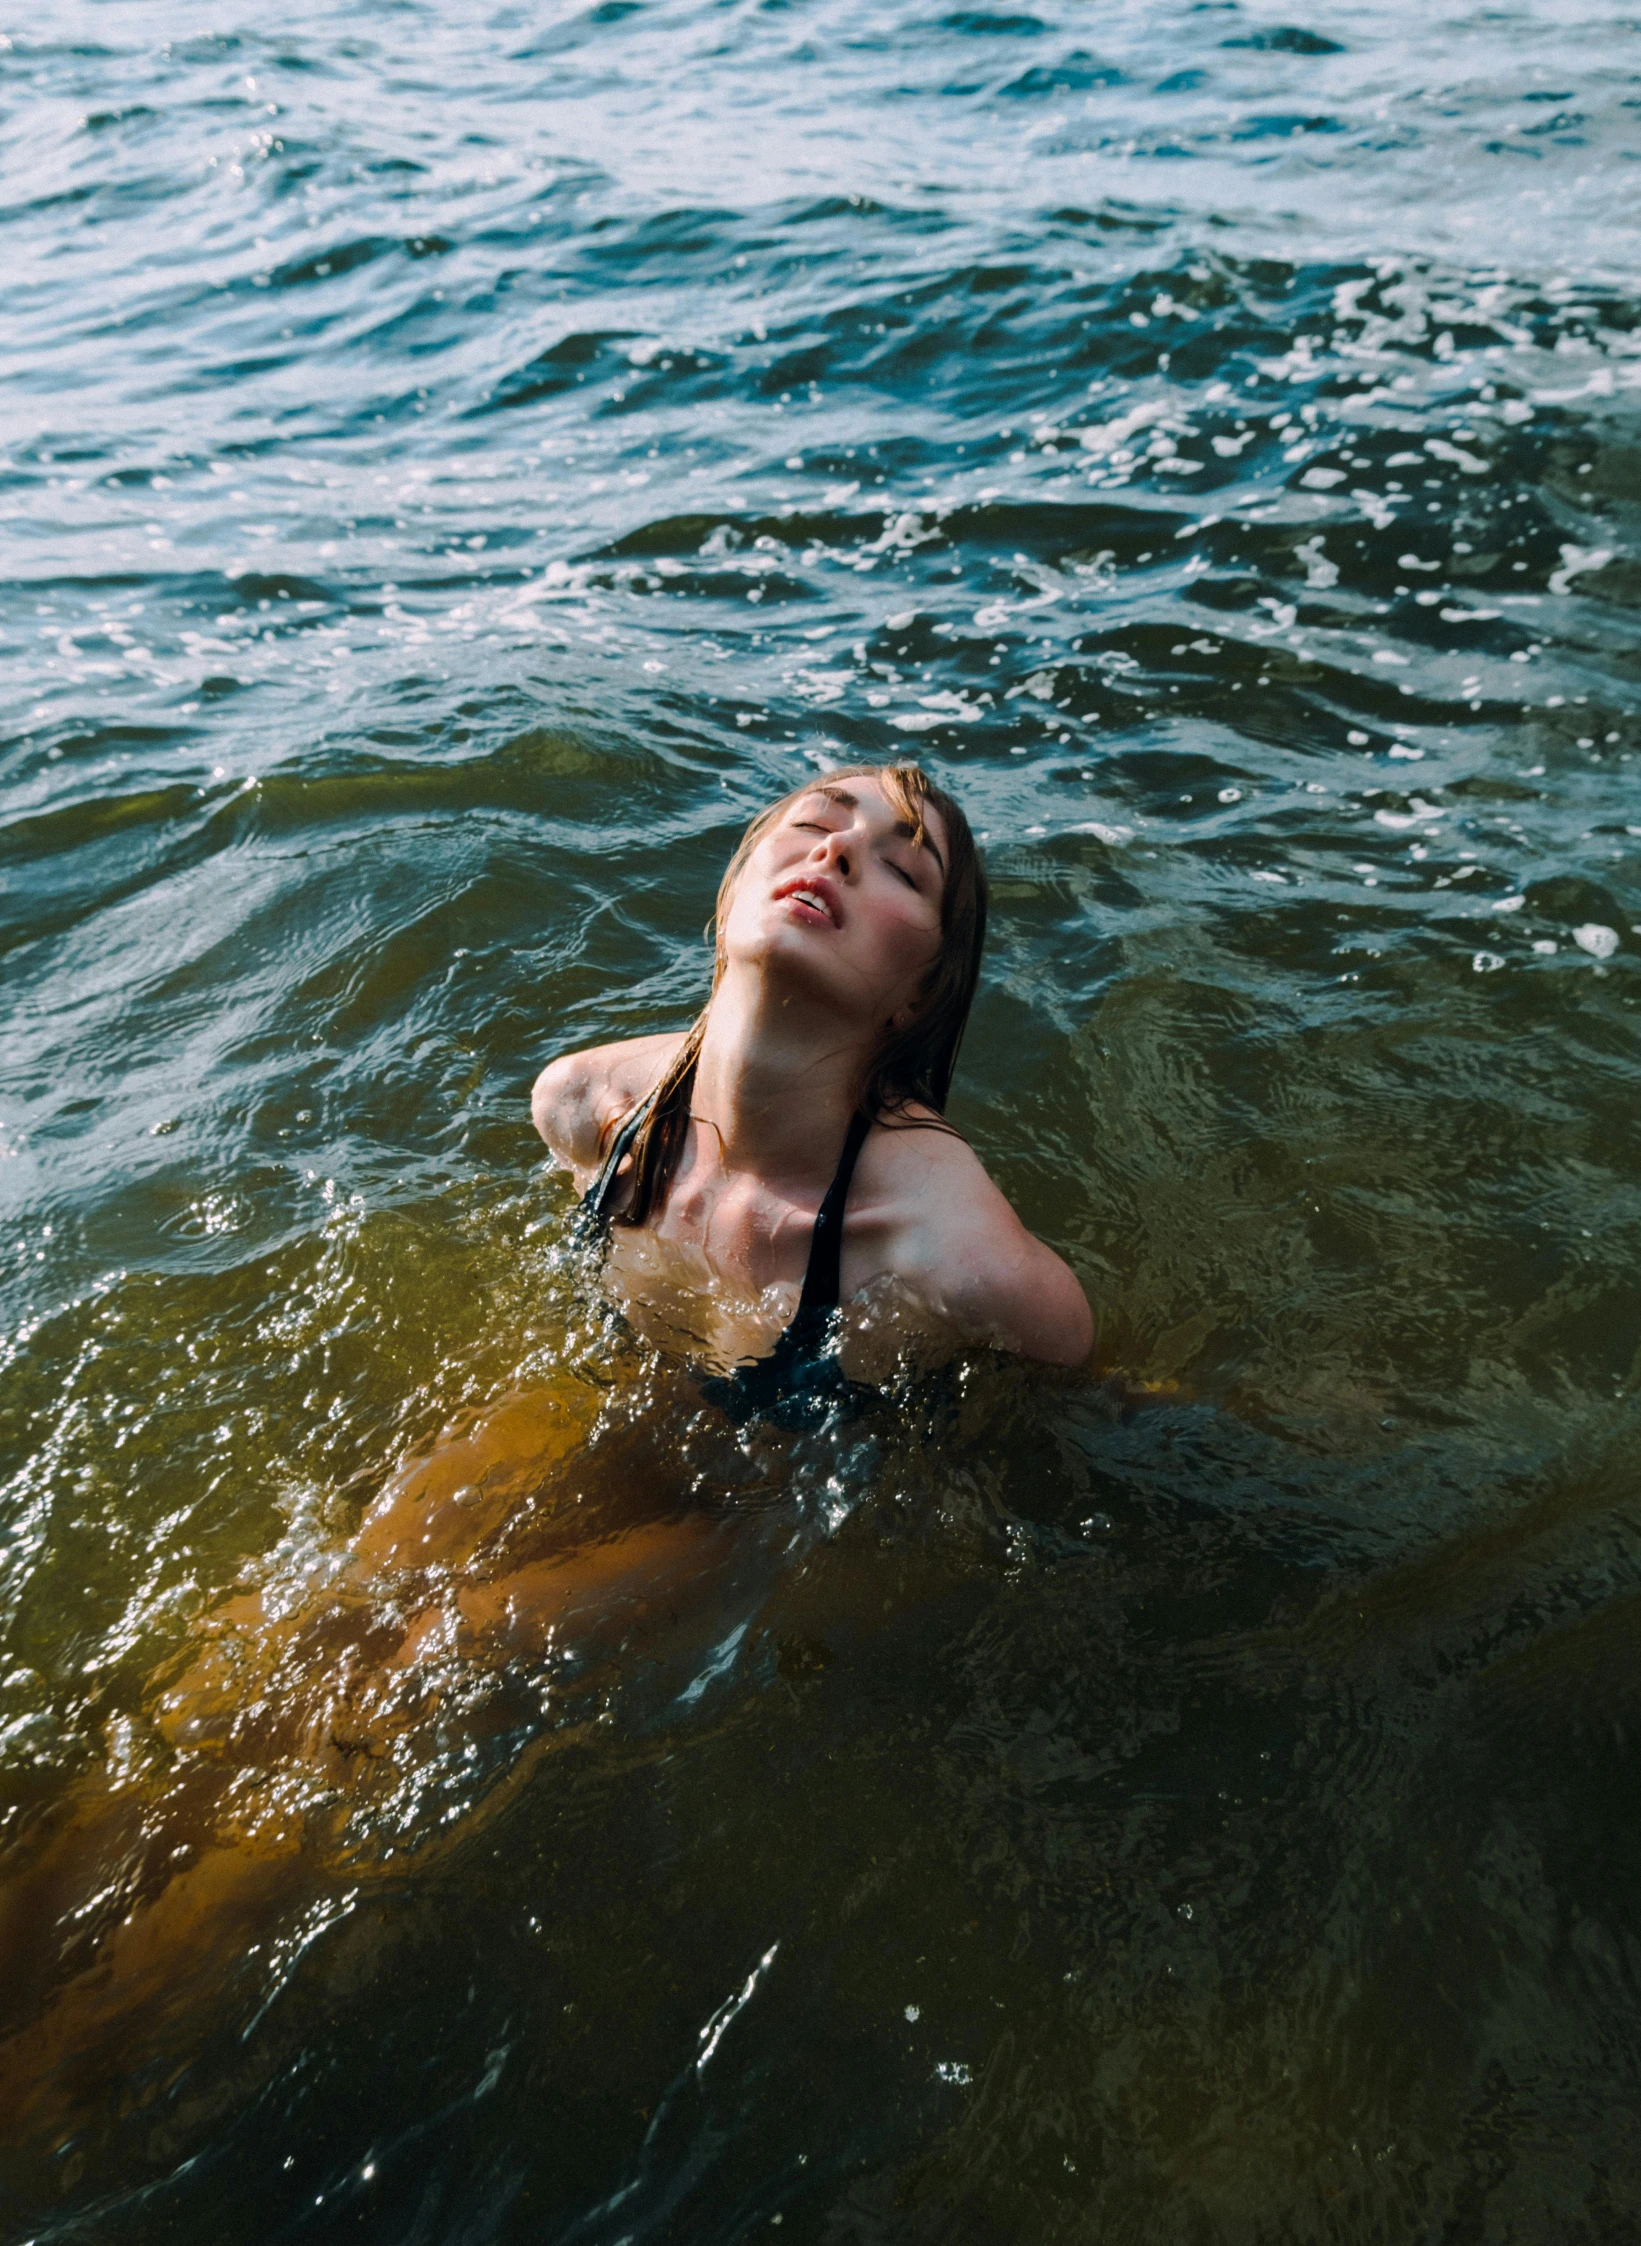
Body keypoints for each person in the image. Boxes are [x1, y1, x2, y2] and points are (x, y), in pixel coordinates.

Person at [532, 762, 1093, 1407]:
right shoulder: (585, 1104)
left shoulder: (956, 1254)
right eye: (811, 824)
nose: (839, 849)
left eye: (904, 870)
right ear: (736, 886)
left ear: (921, 994)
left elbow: (1086, 1388)